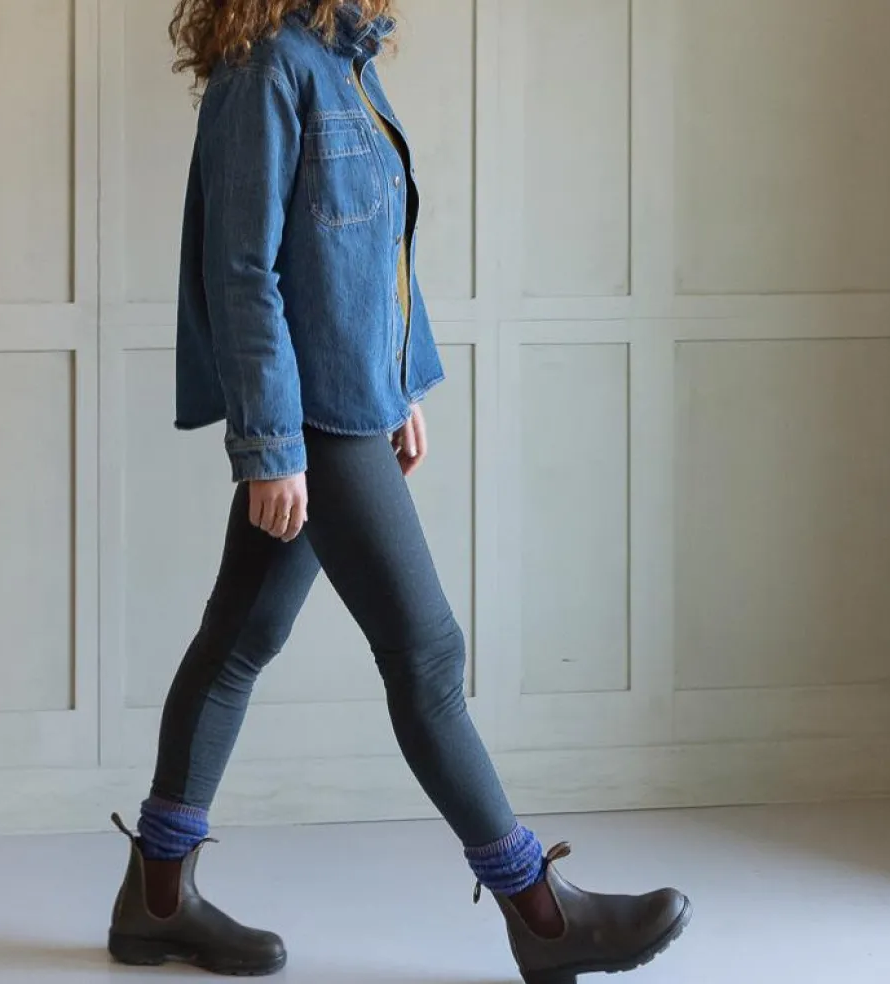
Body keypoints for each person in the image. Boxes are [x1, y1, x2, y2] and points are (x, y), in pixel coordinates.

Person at [107, 1, 692, 980]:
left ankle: (155, 900)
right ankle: (543, 917)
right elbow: (243, 271)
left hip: (347, 400)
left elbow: (372, 251)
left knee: (240, 639)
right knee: (426, 655)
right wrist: (271, 448)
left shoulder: (342, 58)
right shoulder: (266, 70)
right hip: (310, 418)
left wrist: (398, 384)